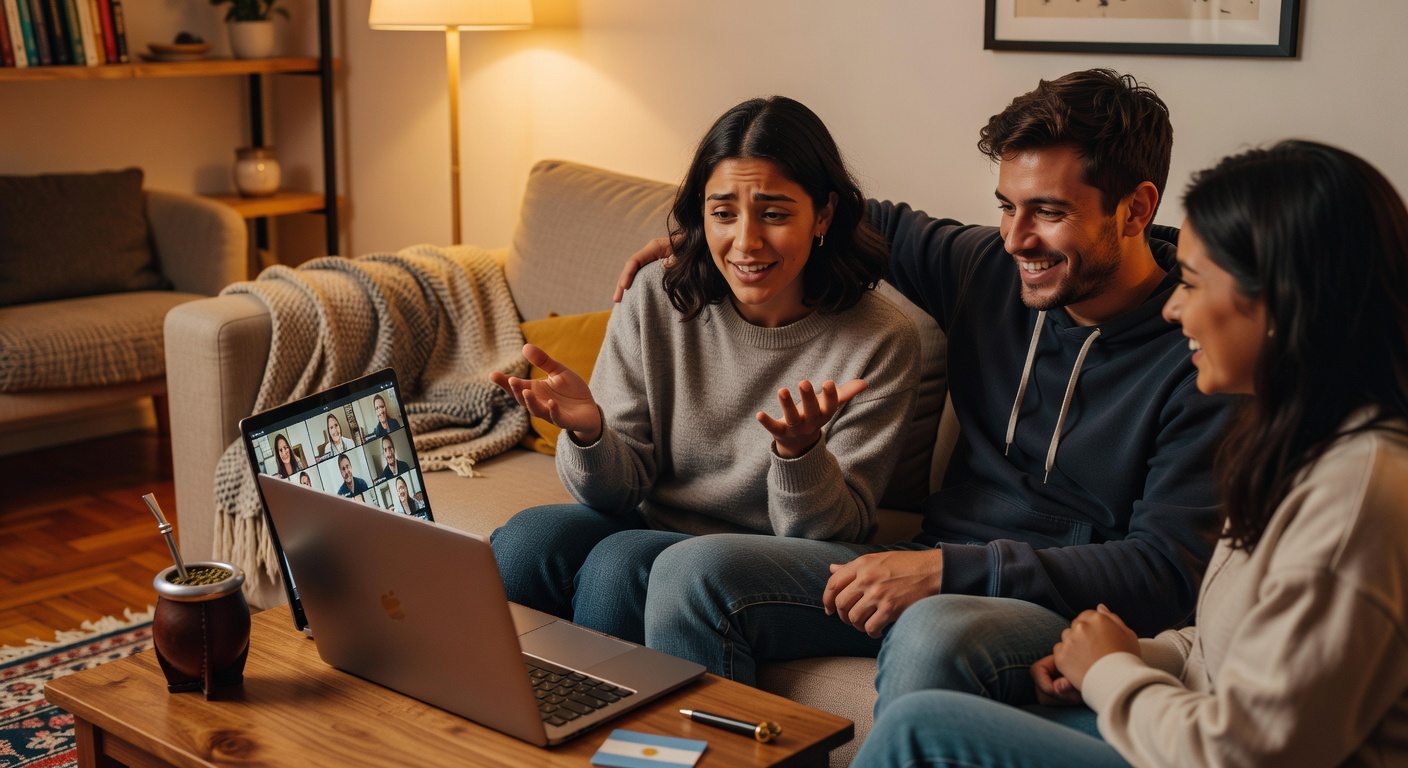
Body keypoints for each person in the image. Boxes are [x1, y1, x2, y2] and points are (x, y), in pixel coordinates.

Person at [616, 69, 1234, 705]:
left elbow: (1167, 571)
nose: (1016, 238)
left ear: (1136, 208)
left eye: (1048, 212)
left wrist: (948, 572)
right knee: (695, 573)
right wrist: (723, 240)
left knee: (933, 633)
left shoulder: (1203, 354)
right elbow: (846, 210)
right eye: (1006, 205)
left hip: (1066, 610)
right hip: (928, 559)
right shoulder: (984, 269)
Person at [852, 139, 1408, 767]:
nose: (1175, 307)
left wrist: (1113, 673)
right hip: (1179, 718)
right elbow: (1237, 647)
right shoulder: (1298, 446)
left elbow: (1246, 754)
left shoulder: (1354, 499)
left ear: (1284, 302)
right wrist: (1145, 655)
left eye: (1193, 284)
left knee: (924, 730)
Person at [488, 95, 922, 645]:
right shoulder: (657, 297)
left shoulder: (881, 339)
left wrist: (800, 454)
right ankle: (506, 717)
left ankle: (622, 727)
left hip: (768, 558)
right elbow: (616, 493)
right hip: (654, 524)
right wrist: (590, 432)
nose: (746, 242)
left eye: (775, 213)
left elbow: (835, 534)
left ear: (824, 215)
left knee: (620, 563)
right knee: (528, 539)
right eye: (723, 214)